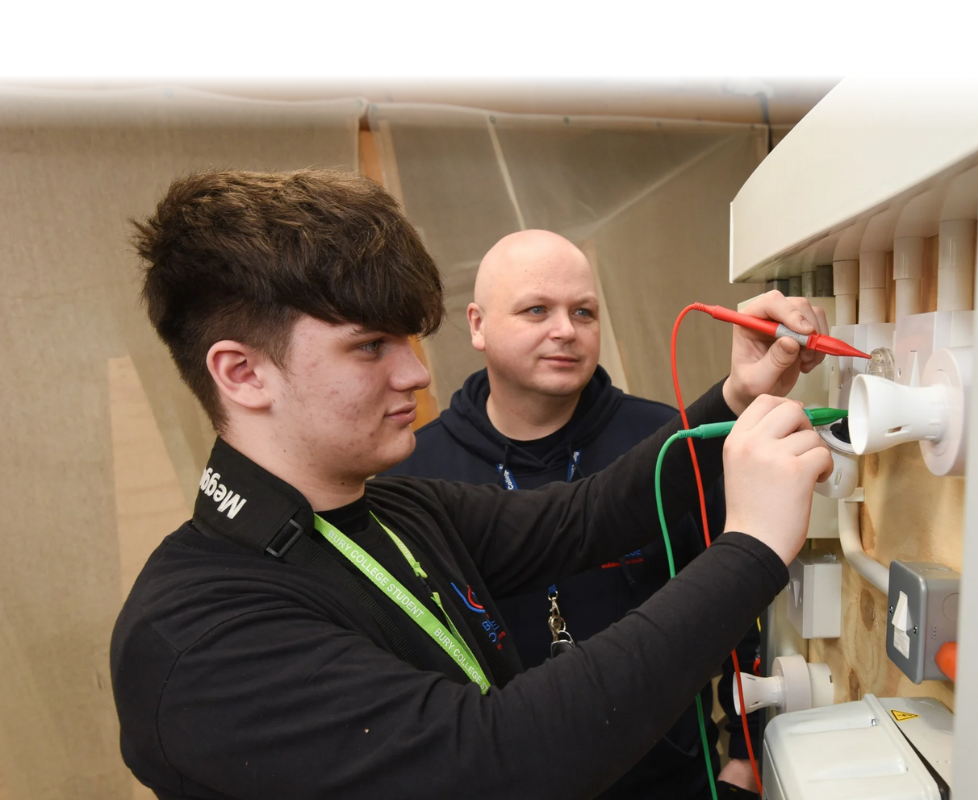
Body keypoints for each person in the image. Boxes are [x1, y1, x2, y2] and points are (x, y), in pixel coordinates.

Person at [110, 169, 832, 800]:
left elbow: (584, 516)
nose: (417, 374)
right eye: (370, 346)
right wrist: (753, 546)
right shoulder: (198, 637)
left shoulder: (392, 507)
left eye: (408, 341)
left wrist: (735, 398)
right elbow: (498, 764)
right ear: (243, 373)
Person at [384, 229, 762, 797]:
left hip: (672, 779)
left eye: (583, 312)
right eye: (537, 310)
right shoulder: (414, 474)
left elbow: (742, 601)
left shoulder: (669, 441)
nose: (566, 330)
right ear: (478, 325)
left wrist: (746, 752)